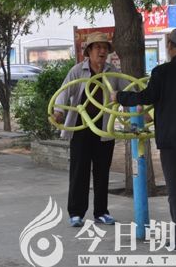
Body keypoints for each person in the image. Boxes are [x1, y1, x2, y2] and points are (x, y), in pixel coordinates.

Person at [113, 28, 176, 252]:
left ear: (169, 46)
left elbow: (147, 97)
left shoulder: (162, 72)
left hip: (174, 141)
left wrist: (119, 96)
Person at [51, 32, 126, 227]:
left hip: (104, 128)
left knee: (102, 172)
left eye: (105, 48)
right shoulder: (78, 71)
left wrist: (141, 109)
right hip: (81, 128)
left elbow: (128, 91)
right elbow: (64, 92)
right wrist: (58, 112)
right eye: (98, 47)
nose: (102, 51)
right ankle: (76, 213)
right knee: (79, 172)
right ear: (89, 51)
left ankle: (101, 212)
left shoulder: (112, 72)